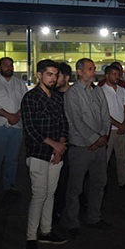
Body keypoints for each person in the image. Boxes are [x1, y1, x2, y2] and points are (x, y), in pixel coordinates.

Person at [21, 60, 69, 249]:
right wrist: (54, 144)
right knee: (39, 195)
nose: (53, 78)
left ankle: (46, 231)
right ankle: (31, 237)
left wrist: (61, 146)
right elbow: (31, 129)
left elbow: (63, 122)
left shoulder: (57, 98)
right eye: (49, 74)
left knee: (51, 194)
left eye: (55, 74)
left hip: (56, 154)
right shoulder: (30, 98)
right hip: (38, 153)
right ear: (39, 75)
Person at [63, 58, 112, 238]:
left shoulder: (98, 90)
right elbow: (76, 121)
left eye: (94, 68)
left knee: (99, 183)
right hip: (81, 147)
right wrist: (95, 139)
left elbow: (106, 115)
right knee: (76, 187)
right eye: (90, 69)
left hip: (99, 146)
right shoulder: (72, 93)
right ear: (80, 71)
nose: (94, 71)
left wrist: (103, 136)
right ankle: (72, 222)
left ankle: (94, 217)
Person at [0, 57, 28, 197]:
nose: (8, 67)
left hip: (17, 127)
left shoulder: (20, 84)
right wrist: (9, 116)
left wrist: (18, 115)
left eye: (11, 65)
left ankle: (9, 185)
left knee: (12, 159)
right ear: (0, 67)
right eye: (5, 65)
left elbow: (26, 102)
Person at [102, 64, 125, 190]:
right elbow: (104, 113)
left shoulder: (122, 90)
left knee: (122, 157)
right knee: (105, 159)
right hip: (109, 130)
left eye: (118, 74)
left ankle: (122, 181)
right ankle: (102, 184)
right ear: (107, 76)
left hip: (122, 130)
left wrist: (124, 124)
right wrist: (119, 125)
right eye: (114, 74)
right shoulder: (101, 91)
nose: (117, 77)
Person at [52, 62, 73, 223]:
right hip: (57, 143)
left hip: (74, 141)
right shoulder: (51, 95)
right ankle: (58, 209)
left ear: (66, 78)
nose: (54, 79)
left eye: (57, 75)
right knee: (59, 179)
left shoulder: (75, 95)